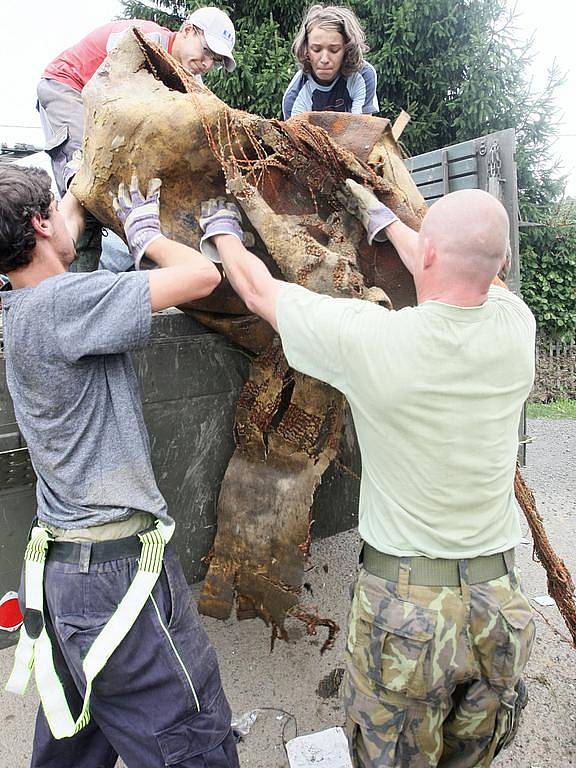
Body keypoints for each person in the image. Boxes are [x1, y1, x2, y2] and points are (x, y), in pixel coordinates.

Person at [193, 185, 536, 767]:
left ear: (426, 254)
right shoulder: (514, 327)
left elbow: (257, 290)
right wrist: (388, 225)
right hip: (500, 609)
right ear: (501, 264)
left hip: (407, 614)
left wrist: (220, 225)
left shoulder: (374, 339)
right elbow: (474, 270)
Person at [0, 164, 239, 768]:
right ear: (37, 223)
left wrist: (78, 190)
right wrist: (144, 234)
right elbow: (202, 276)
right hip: (115, 579)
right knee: (193, 740)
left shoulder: (21, 308)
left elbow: (59, 227)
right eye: (55, 209)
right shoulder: (66, 303)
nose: (67, 218)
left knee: (78, 741)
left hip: (68, 576)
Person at [37, 7, 236, 272]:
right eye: (207, 51)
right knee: (83, 184)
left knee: (111, 193)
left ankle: (86, 280)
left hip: (105, 111)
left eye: (216, 60)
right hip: (70, 88)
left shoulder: (189, 82)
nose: (207, 63)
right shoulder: (142, 39)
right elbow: (108, 93)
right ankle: (48, 277)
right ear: (188, 30)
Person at [282, 4, 378, 119]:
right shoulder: (294, 97)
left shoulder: (363, 75)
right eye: (316, 50)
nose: (324, 59)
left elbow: (362, 130)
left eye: (334, 50)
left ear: (347, 49)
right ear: (306, 49)